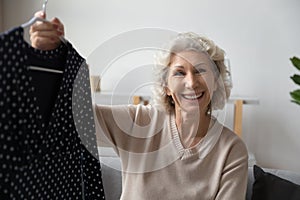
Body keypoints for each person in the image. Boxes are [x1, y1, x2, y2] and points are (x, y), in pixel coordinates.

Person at [30, 12, 248, 200]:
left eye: (201, 70)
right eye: (180, 72)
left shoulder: (232, 150)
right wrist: (46, 59)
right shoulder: (140, 122)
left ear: (216, 81)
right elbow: (70, 117)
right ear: (166, 87)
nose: (191, 83)